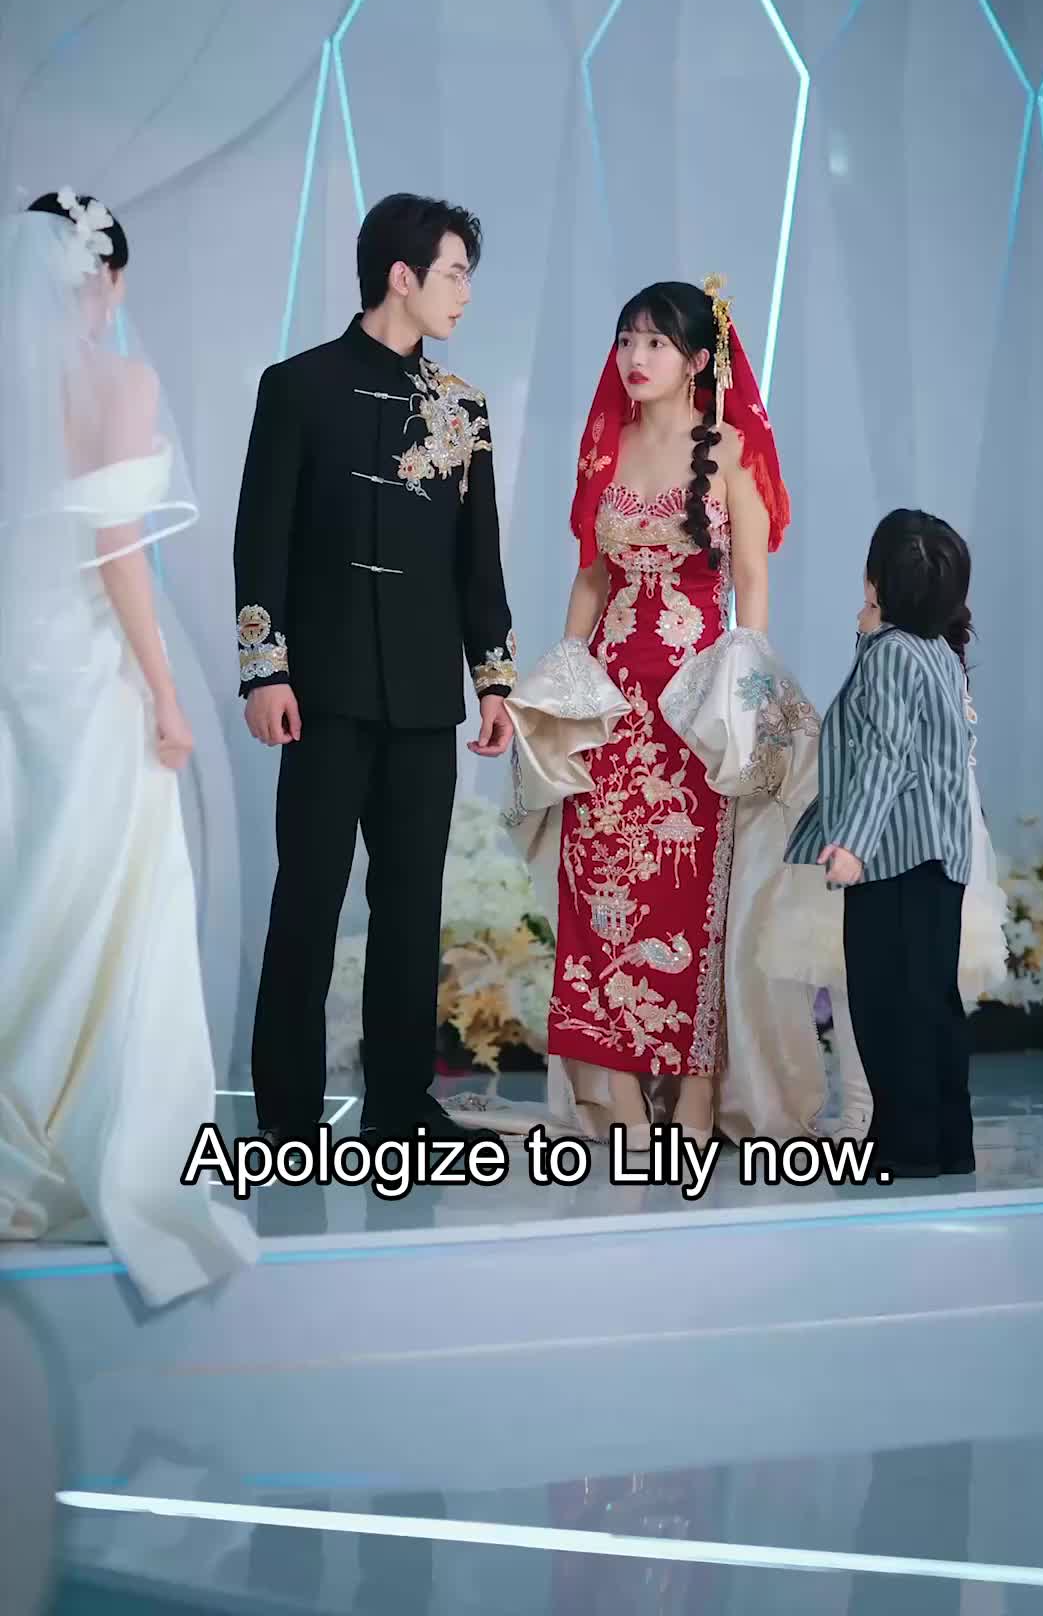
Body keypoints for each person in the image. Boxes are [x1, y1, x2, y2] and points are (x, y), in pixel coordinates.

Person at [460, 278, 853, 1154]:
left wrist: (743, 689)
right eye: (625, 340)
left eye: (655, 343)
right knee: (599, 893)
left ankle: (700, 1096)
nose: (634, 358)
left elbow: (751, 578)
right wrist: (560, 680)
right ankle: (627, 1103)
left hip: (693, 708)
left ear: (699, 360)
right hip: (609, 708)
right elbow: (591, 576)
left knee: (691, 901)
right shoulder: (607, 443)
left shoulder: (732, 448)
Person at [0, 192, 256, 1305]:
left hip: (16, 651)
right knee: (107, 885)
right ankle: (76, 1136)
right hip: (86, 658)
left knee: (26, 872)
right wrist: (164, 691)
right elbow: (117, 552)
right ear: (109, 280)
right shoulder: (122, 381)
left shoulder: (14, 387)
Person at [234, 192, 515, 1152]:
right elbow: (261, 543)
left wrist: (494, 681)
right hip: (321, 694)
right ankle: (285, 1117)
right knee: (308, 900)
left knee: (409, 906)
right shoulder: (297, 387)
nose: (465, 293)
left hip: (425, 699)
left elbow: (479, 563)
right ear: (403, 276)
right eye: (455, 274)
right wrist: (264, 672)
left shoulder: (464, 408)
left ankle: (401, 1108)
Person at [785, 509, 977, 1178]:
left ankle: (905, 1146)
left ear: (877, 582)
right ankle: (946, 1143)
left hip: (896, 855)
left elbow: (885, 756)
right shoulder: (933, 649)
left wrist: (854, 844)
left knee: (888, 1004)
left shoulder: (893, 653)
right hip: (938, 855)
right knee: (931, 1002)